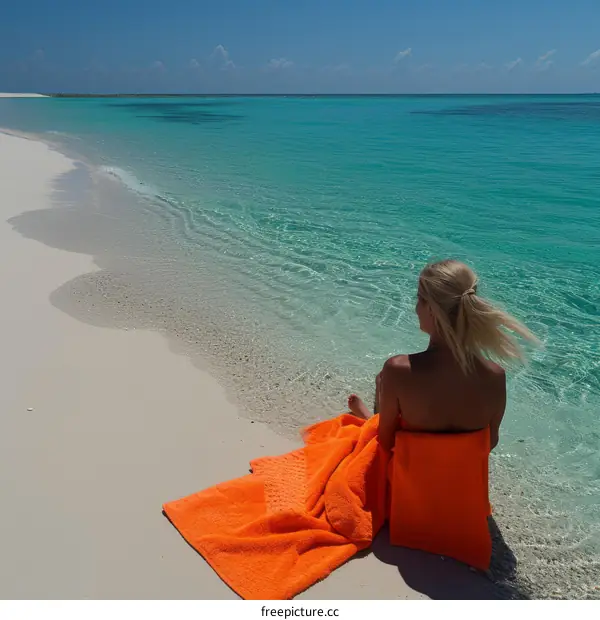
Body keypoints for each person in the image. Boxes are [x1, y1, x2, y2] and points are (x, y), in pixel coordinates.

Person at [348, 259, 538, 452]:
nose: (416, 309)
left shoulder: (398, 369)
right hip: (462, 481)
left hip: (407, 479)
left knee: (382, 385)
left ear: (431, 307)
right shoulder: (495, 376)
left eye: (418, 299)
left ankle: (369, 415)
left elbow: (386, 443)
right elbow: (489, 443)